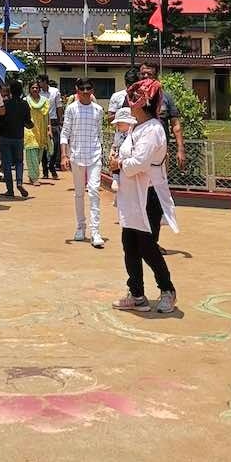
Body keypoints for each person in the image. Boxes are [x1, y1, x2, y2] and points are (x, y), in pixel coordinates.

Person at [109, 78, 179, 313]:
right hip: (132, 194)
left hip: (148, 194)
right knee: (129, 243)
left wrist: (119, 163)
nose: (130, 102)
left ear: (143, 102)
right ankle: (136, 292)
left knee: (147, 246)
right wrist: (120, 161)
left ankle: (167, 289)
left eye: (134, 98)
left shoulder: (153, 129)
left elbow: (138, 162)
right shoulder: (136, 126)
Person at [136, 61, 185, 246]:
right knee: (139, 198)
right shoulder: (133, 97)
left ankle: (153, 242)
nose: (145, 78)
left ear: (156, 77)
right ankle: (140, 240)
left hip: (158, 159)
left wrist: (180, 149)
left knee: (155, 199)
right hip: (138, 157)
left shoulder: (166, 98)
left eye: (149, 74)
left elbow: (175, 125)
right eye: (143, 74)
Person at [59, 78, 105, 248]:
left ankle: (95, 231)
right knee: (79, 194)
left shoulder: (98, 110)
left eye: (89, 88)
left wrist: (104, 155)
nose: (86, 91)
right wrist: (64, 155)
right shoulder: (71, 109)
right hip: (76, 156)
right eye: (82, 88)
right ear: (77, 90)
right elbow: (65, 133)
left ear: (92, 90)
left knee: (94, 192)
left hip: (94, 155)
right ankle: (80, 227)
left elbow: (100, 134)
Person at [0, 80, 31, 198]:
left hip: (5, 136)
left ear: (10, 91)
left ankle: (10, 190)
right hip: (18, 137)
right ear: (21, 91)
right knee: (19, 162)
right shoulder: (25, 104)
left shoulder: (5, 104)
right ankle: (20, 182)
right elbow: (28, 122)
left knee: (6, 163)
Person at [25, 79, 52, 184]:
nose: (35, 89)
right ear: (29, 89)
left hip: (42, 130)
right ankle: (34, 177)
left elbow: (47, 115)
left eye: (36, 87)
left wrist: (49, 129)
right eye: (33, 88)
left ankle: (33, 174)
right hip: (29, 130)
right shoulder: (26, 100)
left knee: (39, 155)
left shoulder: (45, 101)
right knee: (31, 152)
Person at [39, 75, 63, 180]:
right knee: (44, 147)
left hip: (53, 121)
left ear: (45, 82)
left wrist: (60, 120)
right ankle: (45, 170)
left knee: (55, 145)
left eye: (40, 82)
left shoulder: (55, 92)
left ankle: (52, 165)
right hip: (41, 122)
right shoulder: (38, 93)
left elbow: (59, 107)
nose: (39, 84)